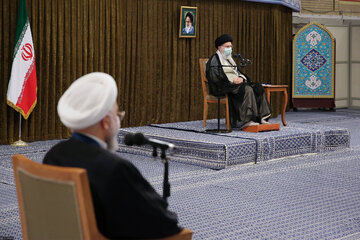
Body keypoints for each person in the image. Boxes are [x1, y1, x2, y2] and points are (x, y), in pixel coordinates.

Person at [43, 72, 182, 239]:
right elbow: (163, 224)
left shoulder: (53, 155)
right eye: (118, 115)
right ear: (106, 122)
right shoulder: (114, 168)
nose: (119, 120)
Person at [206, 34, 271, 127]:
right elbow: (214, 78)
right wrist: (232, 82)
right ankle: (248, 120)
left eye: (231, 47)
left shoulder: (230, 59)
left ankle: (262, 117)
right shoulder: (214, 60)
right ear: (220, 48)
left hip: (236, 84)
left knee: (257, 87)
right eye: (227, 46)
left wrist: (242, 78)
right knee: (247, 89)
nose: (230, 49)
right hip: (224, 86)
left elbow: (237, 72)